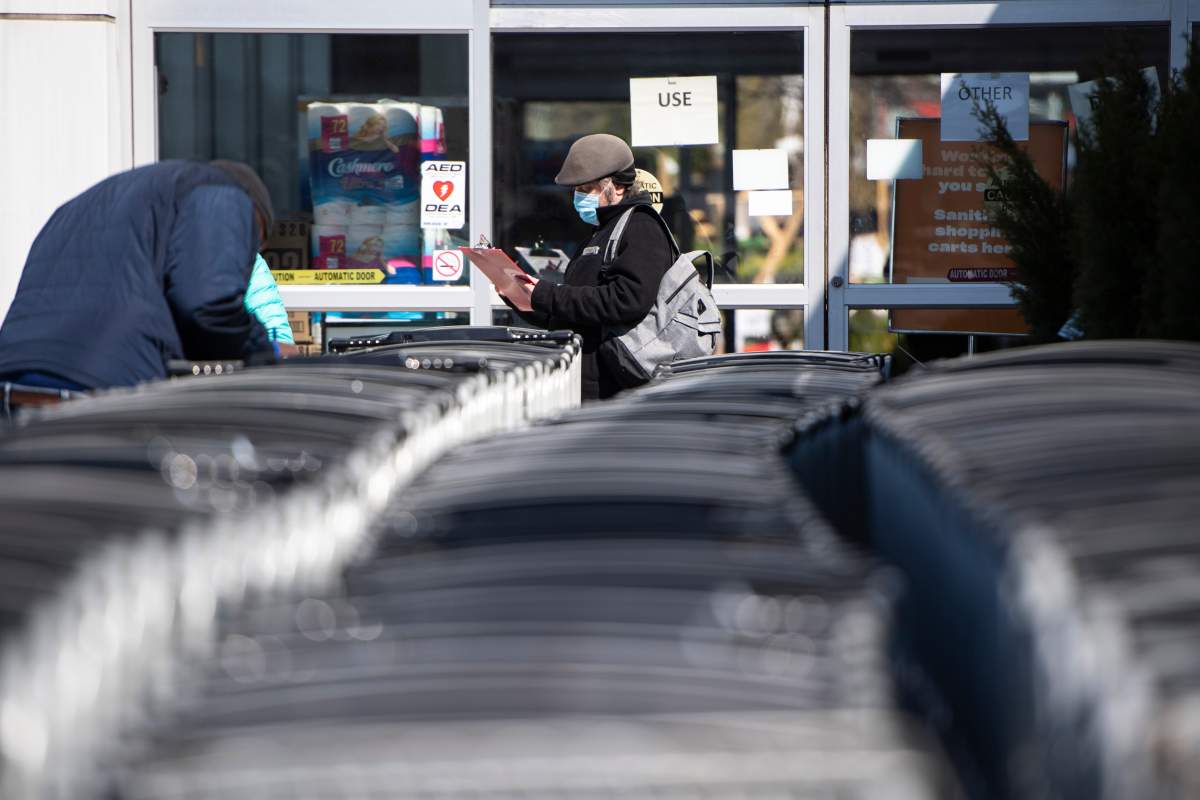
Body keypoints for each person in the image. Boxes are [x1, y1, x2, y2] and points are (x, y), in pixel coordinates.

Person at [0, 160, 279, 390]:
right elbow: (208, 303)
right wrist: (262, 351)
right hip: (101, 382)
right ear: (254, 213)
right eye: (254, 240)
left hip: (15, 375)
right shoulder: (222, 193)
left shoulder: (92, 203)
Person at [503, 133, 674, 401]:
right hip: (586, 380)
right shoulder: (601, 230)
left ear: (617, 187)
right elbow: (574, 310)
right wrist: (519, 293)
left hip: (616, 387)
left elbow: (626, 300)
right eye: (576, 190)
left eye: (587, 189)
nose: (578, 197)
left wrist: (547, 294)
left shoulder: (641, 227)